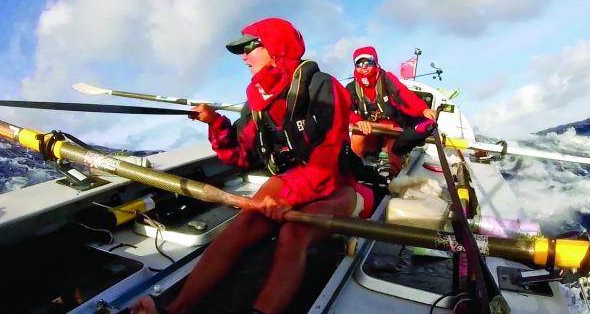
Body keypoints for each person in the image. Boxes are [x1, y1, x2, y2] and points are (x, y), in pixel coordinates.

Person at [131, 18, 373, 314]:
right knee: (244, 222)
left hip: (337, 185)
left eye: (250, 47)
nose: (244, 57)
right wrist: (215, 123)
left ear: (276, 47)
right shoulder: (256, 102)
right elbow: (239, 155)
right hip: (293, 184)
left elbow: (328, 158)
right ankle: (174, 309)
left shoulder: (323, 86)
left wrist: (286, 199)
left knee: (294, 231)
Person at [346, 46, 437, 177]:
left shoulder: (386, 78)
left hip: (391, 130)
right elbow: (344, 109)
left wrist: (424, 110)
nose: (364, 67)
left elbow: (404, 94)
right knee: (357, 133)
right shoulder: (352, 87)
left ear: (375, 63)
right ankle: (351, 174)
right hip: (371, 132)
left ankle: (394, 177)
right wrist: (357, 121)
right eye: (359, 64)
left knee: (393, 140)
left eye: (368, 62)